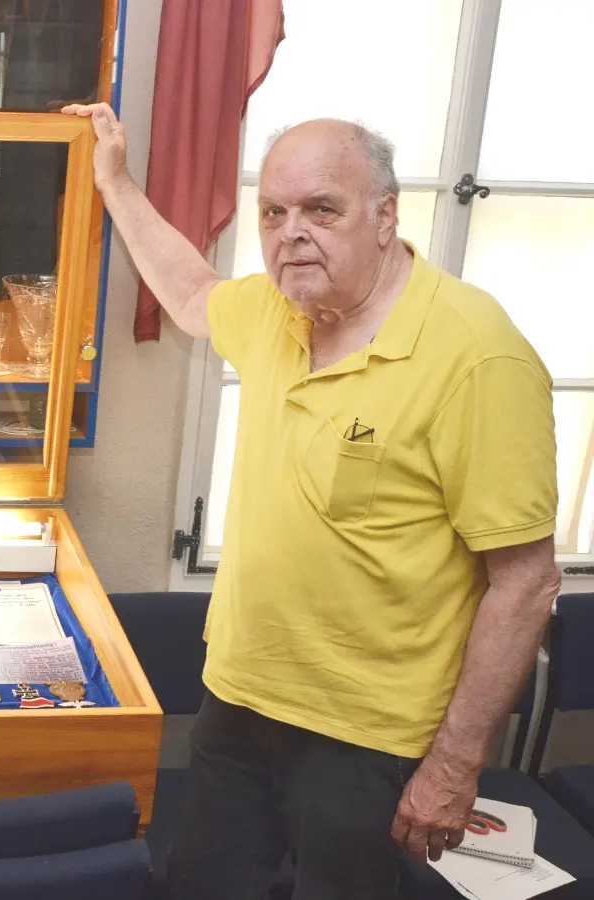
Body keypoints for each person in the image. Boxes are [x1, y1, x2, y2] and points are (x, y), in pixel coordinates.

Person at [61, 105, 561, 897]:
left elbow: (526, 582)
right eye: (273, 212)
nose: (290, 232)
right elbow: (191, 291)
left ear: (385, 215)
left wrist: (457, 764)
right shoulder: (274, 307)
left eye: (321, 209)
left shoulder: (477, 353)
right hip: (239, 698)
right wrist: (115, 183)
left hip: (366, 737)